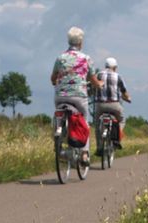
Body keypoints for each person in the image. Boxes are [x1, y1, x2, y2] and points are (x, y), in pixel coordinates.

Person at [51, 26, 102, 165]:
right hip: (79, 96)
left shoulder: (60, 57)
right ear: (81, 42)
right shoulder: (86, 58)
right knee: (84, 121)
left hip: (60, 95)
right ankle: (84, 154)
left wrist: (56, 82)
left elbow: (53, 77)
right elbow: (93, 79)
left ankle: (58, 135)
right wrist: (99, 85)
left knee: (58, 113)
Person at [94, 57, 131, 155]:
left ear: (105, 66)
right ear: (114, 67)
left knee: (97, 125)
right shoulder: (118, 76)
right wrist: (128, 98)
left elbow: (94, 85)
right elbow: (124, 92)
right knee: (122, 119)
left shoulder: (98, 74)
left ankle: (99, 148)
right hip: (114, 105)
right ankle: (117, 138)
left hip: (100, 105)